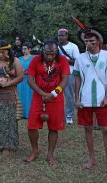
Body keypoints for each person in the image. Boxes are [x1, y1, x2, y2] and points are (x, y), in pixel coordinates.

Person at [25, 40, 69, 165]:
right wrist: (43, 94)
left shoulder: (63, 60)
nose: (50, 56)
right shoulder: (36, 60)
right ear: (42, 51)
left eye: (53, 54)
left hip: (56, 98)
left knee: (54, 127)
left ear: (57, 52)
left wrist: (54, 94)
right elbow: (30, 79)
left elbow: (65, 80)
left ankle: (50, 155)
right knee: (32, 126)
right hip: (39, 97)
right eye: (47, 53)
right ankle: (35, 151)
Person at [73, 27, 107, 169]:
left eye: (91, 41)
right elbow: (77, 79)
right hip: (85, 99)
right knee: (88, 128)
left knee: (105, 129)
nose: (88, 43)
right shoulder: (80, 58)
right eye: (86, 41)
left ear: (98, 41)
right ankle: (92, 159)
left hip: (102, 99)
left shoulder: (106, 55)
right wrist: (76, 99)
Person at [57, 28, 80, 124]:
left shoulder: (73, 46)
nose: (61, 37)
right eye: (59, 35)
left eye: (63, 35)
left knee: (69, 95)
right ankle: (57, 115)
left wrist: (64, 60)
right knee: (56, 95)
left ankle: (69, 115)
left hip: (69, 74)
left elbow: (77, 61)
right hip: (56, 74)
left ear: (67, 36)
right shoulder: (55, 46)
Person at [17, 42, 34, 119]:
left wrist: (26, 71)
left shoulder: (34, 58)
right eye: (22, 49)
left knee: (29, 96)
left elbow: (35, 69)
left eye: (25, 49)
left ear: (30, 49)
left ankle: (29, 113)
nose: (23, 50)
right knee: (20, 96)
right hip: (20, 80)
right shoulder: (19, 59)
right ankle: (21, 114)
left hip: (30, 80)